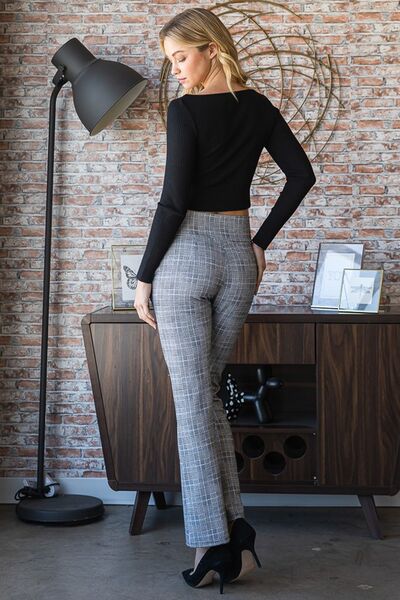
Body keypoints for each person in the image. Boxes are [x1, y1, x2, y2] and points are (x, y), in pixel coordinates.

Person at [134, 7, 316, 593]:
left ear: (212, 49)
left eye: (181, 57)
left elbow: (172, 202)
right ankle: (237, 533)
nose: (176, 72)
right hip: (238, 255)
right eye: (171, 62)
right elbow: (301, 176)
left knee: (192, 405)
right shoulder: (258, 106)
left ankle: (211, 543)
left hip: (185, 258)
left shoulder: (185, 112)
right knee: (207, 397)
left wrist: (144, 276)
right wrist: (260, 242)